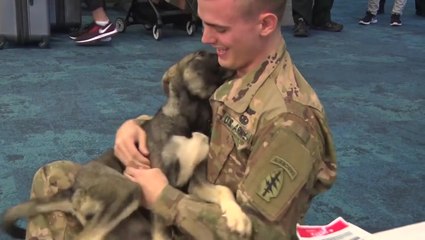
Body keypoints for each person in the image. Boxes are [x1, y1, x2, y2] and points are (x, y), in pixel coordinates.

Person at [25, 0, 337, 239]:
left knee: (67, 210)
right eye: (204, 23)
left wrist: (164, 199)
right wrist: (136, 127)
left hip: (196, 222)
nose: (205, 37)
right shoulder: (233, 67)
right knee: (54, 179)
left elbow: (262, 234)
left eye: (220, 28)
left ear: (266, 24)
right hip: (181, 206)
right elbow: (183, 116)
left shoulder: (291, 121)